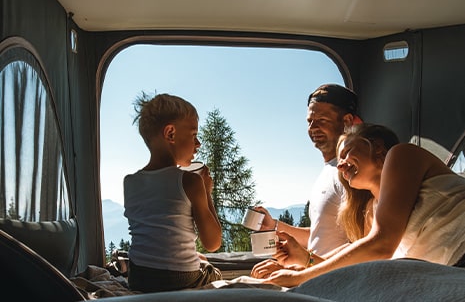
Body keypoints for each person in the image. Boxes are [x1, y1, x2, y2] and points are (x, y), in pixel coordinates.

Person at [253, 123, 465, 287]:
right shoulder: (372, 214)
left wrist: (300, 276)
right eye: (339, 160)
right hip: (449, 273)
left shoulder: (403, 154)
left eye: (347, 153)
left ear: (378, 147)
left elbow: (381, 245)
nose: (341, 165)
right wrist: (303, 260)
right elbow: (360, 263)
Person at [251, 84, 362, 269]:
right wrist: (275, 226)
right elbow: (322, 235)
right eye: (309, 121)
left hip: (332, 280)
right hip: (315, 273)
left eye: (322, 120)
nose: (313, 128)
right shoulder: (328, 171)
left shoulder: (351, 174)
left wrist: (304, 266)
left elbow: (360, 246)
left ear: (347, 121)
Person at [123, 93, 222, 293]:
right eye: (194, 135)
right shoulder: (190, 181)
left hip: (139, 278)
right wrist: (206, 192)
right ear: (170, 134)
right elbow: (213, 243)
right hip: (180, 279)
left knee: (196, 259)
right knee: (212, 272)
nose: (199, 144)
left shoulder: (130, 182)